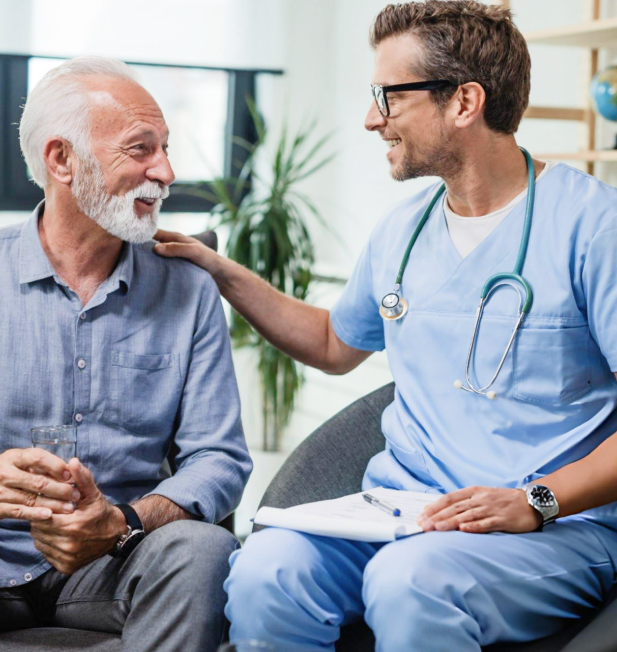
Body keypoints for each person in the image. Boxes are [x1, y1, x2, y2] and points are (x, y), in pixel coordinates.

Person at [155, 2, 617, 651]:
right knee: (266, 569)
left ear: (463, 102)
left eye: (387, 97)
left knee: (411, 581)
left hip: (553, 526)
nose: (372, 119)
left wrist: (536, 500)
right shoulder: (403, 232)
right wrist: (222, 273)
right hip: (405, 512)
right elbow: (331, 343)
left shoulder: (593, 227)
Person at [0, 56, 252, 652]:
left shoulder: (188, 289)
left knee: (205, 549)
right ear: (61, 160)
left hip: (113, 561)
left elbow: (218, 458)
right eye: (140, 150)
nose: (165, 171)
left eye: (164, 148)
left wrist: (123, 523)